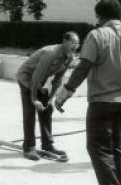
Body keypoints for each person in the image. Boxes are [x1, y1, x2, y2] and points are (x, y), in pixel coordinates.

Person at [55, 0, 121, 185]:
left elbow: (83, 67)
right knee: (118, 149)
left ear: (99, 16)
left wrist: (65, 92)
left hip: (102, 101)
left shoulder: (96, 35)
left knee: (98, 148)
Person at [16, 32, 79, 160]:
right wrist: (34, 99)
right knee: (30, 111)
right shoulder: (51, 53)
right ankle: (29, 148)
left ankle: (47, 145)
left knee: (47, 109)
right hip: (27, 78)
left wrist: (49, 100)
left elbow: (58, 80)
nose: (75, 46)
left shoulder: (68, 57)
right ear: (64, 41)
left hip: (39, 81)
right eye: (72, 42)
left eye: (77, 43)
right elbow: (35, 78)